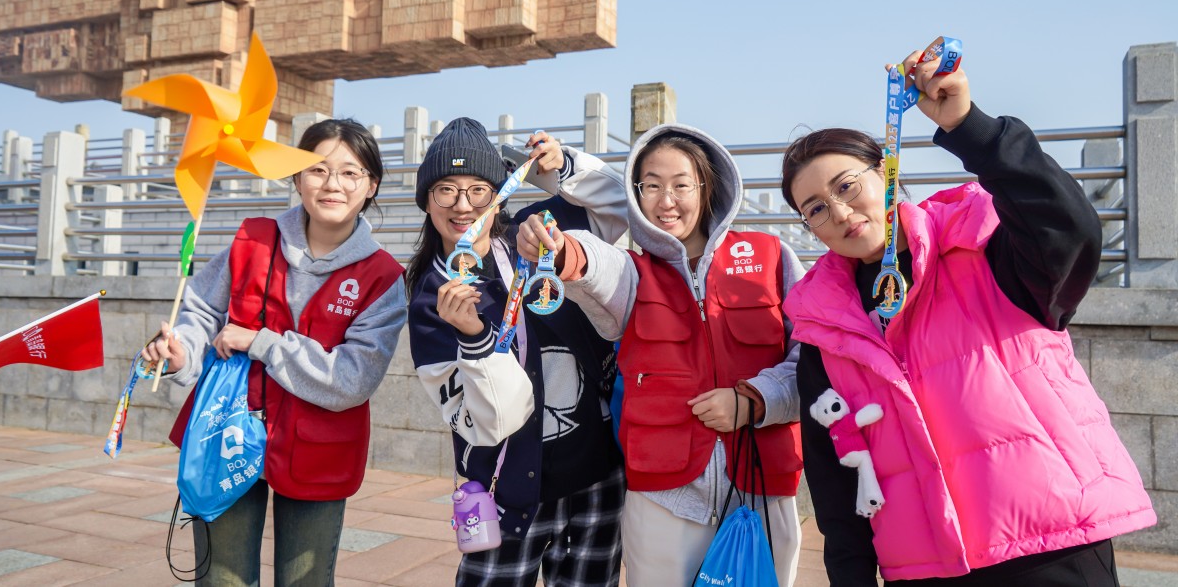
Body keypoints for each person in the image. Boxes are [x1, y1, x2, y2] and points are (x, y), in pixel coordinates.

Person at [782, 49, 1156, 586]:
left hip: (1053, 547)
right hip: (926, 567)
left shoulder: (980, 247)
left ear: (886, 172)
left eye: (846, 186)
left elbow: (1068, 232)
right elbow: (835, 484)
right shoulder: (823, 331)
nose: (839, 212)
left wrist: (968, 126)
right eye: (815, 208)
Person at [517, 124, 804, 586]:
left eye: (681, 185)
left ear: (707, 187)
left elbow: (812, 361)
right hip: (663, 496)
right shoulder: (632, 272)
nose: (666, 200)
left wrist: (756, 401)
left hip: (762, 488)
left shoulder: (773, 257)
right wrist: (561, 248)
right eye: (650, 186)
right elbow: (595, 265)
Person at [141, 118, 408, 586]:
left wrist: (261, 342)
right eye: (317, 169)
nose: (333, 184)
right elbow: (201, 313)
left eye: (350, 173)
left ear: (371, 186)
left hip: (318, 450)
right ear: (297, 179)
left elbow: (352, 380)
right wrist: (182, 353)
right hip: (226, 432)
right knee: (221, 580)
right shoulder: (252, 240)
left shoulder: (383, 277)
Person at [406, 118, 629, 587]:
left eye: (478, 190)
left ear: (500, 194)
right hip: (504, 495)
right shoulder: (433, 301)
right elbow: (489, 422)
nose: (463, 205)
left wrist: (564, 169)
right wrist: (474, 338)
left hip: (596, 478)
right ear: (426, 200)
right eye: (446, 190)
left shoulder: (538, 232)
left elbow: (622, 205)